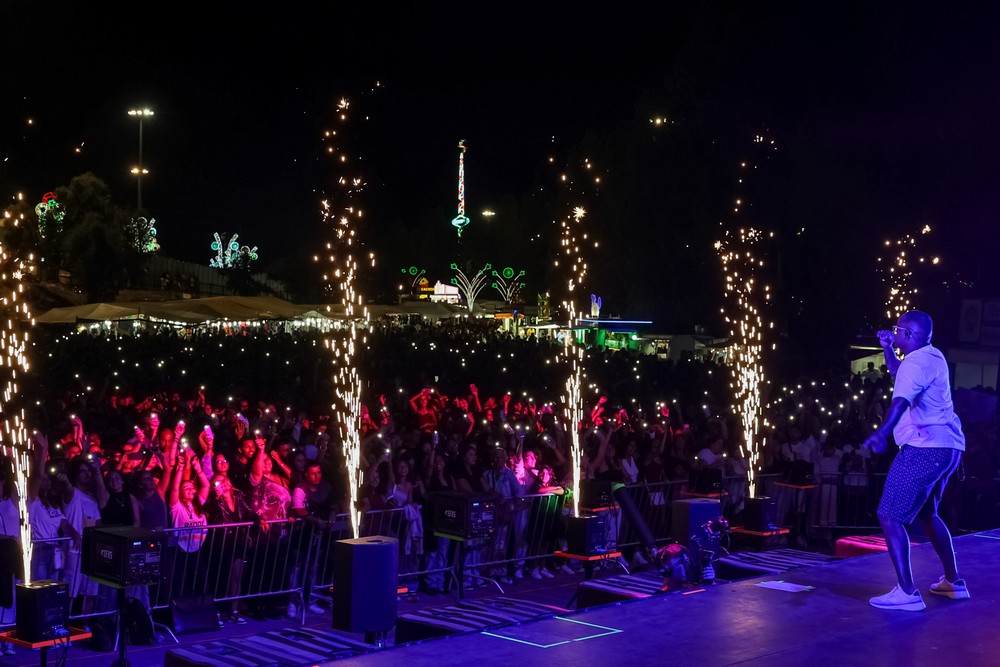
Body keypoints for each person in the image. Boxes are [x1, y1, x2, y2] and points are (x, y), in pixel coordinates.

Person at [863, 311, 968, 611]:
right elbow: (899, 372)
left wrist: (882, 432)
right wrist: (887, 348)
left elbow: (900, 401)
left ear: (908, 334)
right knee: (928, 514)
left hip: (924, 447)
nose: (893, 332)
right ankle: (954, 582)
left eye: (897, 330)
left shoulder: (915, 364)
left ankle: (907, 593)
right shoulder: (932, 356)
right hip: (948, 447)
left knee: (889, 515)